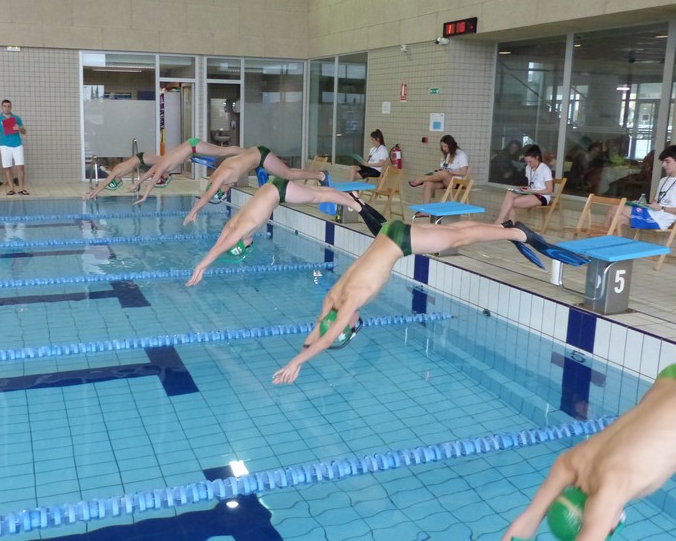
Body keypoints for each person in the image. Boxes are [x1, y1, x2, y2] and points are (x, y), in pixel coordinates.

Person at [271, 219, 586, 385]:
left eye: (355, 328)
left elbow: (324, 339)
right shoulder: (333, 297)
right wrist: (300, 352)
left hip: (400, 242)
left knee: (459, 239)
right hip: (389, 231)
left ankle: (517, 234)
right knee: (452, 233)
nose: (357, 322)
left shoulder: (350, 302)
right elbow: (317, 332)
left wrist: (295, 364)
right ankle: (504, 228)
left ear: (346, 327)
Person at [502, 363, 676, 541]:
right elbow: (527, 521)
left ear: (610, 526)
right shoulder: (570, 461)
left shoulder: (609, 492)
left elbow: (531, 520)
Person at [185, 178, 386, 286]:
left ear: (241, 245)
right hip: (273, 188)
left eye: (247, 247)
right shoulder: (233, 226)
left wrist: (200, 268)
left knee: (318, 197)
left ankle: (356, 204)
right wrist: (203, 265)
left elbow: (219, 249)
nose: (250, 245)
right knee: (319, 195)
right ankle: (349, 198)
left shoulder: (242, 230)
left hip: (278, 191)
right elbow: (220, 243)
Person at [183, 146, 330, 224]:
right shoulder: (218, 176)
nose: (228, 192)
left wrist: (193, 212)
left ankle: (321, 175)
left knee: (287, 174)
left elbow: (206, 196)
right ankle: (319, 177)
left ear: (219, 189)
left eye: (224, 193)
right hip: (257, 155)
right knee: (284, 175)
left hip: (261, 155)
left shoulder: (220, 178)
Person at [133, 138, 243, 204]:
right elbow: (147, 175)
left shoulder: (162, 166)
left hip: (194, 146)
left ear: (162, 175)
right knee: (222, 152)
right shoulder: (160, 164)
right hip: (192, 146)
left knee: (222, 152)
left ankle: (249, 152)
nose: (168, 175)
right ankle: (247, 153)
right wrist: (136, 184)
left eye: (166, 178)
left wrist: (144, 197)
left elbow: (151, 183)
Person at [603, 145, 676, 232]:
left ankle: (600, 240)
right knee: (618, 219)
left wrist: (662, 208)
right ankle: (611, 243)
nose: (663, 165)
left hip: (660, 220)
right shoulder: (663, 180)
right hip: (652, 214)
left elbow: (660, 207)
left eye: (667, 162)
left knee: (614, 208)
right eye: (663, 162)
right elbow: (657, 203)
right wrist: (642, 204)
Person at [494, 144, 553, 225]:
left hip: (542, 196)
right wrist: (524, 189)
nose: (528, 164)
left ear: (537, 157)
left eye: (530, 161)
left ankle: (507, 223)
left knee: (510, 203)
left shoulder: (544, 169)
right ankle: (502, 220)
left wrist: (533, 190)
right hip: (531, 192)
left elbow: (549, 190)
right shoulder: (528, 168)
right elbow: (530, 184)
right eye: (526, 161)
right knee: (510, 193)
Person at [409, 135, 469, 204]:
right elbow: (445, 168)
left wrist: (449, 172)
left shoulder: (461, 154)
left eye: (445, 146)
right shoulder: (448, 154)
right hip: (445, 181)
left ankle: (422, 179)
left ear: (451, 145)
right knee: (428, 183)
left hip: (456, 183)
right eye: (442, 146)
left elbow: (463, 172)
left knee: (444, 173)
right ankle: (425, 210)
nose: (443, 149)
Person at [84, 152, 161, 200]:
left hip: (141, 159)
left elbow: (103, 184)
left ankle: (165, 177)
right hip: (140, 159)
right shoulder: (118, 172)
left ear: (114, 180)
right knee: (164, 162)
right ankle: (164, 176)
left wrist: (91, 194)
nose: (117, 183)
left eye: (114, 183)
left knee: (164, 161)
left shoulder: (116, 172)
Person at [0, 99, 28, 195]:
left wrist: (19, 128)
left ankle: (21, 188)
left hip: (17, 144)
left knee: (20, 166)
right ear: (2, 107)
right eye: (5, 106)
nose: (7, 108)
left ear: (11, 107)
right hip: (4, 146)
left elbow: (24, 132)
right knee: (7, 167)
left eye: (9, 106)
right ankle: (11, 188)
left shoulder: (16, 118)